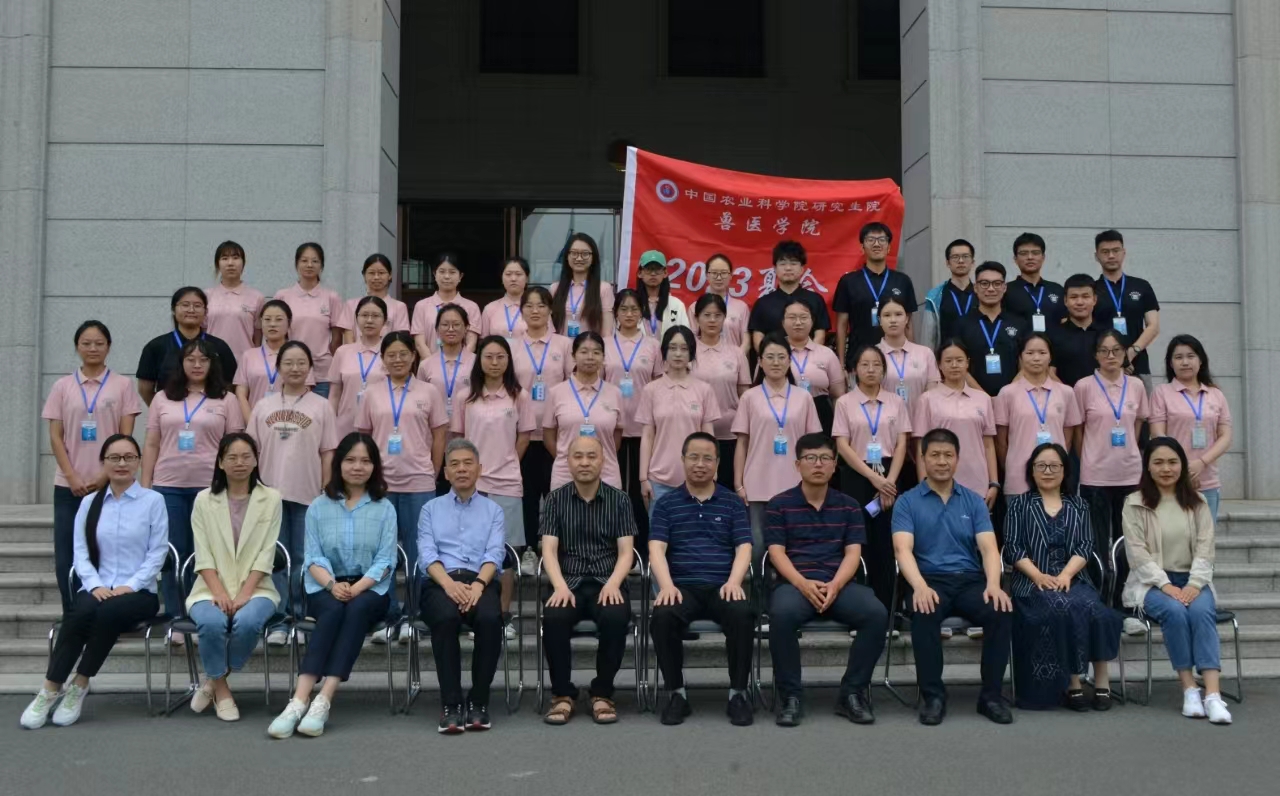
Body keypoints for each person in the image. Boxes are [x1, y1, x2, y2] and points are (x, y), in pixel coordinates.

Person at [20, 435, 167, 730]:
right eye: (114, 457)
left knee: (106, 611)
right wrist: (94, 584)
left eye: (129, 457)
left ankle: (80, 682)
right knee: (80, 610)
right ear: (103, 463)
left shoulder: (153, 501)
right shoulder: (90, 503)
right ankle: (50, 688)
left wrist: (131, 585)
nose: (122, 463)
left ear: (139, 462)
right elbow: (80, 552)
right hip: (98, 587)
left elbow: (158, 552)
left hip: (139, 593)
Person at [267, 433, 398, 738]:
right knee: (333, 611)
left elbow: (386, 561)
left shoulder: (384, 508)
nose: (357, 467)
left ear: (375, 466)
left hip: (370, 589)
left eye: (365, 461)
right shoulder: (318, 506)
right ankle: (298, 701)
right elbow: (312, 557)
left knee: (356, 610)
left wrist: (357, 588)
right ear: (338, 464)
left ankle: (324, 698)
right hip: (325, 585)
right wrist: (332, 585)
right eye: (350, 460)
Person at [765, 433, 890, 728]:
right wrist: (803, 584)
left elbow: (853, 554)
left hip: (839, 584)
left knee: (876, 614)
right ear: (797, 464)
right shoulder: (779, 504)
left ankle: (852, 693)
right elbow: (776, 553)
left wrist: (835, 585)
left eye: (825, 458)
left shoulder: (849, 505)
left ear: (835, 465)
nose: (818, 464)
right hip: (795, 585)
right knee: (781, 614)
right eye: (810, 458)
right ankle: (791, 696)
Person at [892, 428, 1014, 726]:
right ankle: (933, 696)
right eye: (934, 455)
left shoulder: (973, 501)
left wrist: (994, 585)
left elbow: (989, 549)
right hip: (929, 579)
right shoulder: (907, 502)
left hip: (970, 580)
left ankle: (991, 697)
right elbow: (902, 550)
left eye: (948, 455)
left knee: (1000, 610)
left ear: (958, 459)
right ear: (923, 458)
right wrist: (919, 586)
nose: (942, 461)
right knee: (924, 611)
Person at [1121, 438, 1231, 725]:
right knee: (1175, 611)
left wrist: (1194, 584)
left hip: (1193, 578)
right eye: (1158, 462)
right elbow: (1137, 554)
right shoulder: (1134, 503)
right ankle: (1190, 690)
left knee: (1201, 611)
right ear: (1147, 467)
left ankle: (1213, 695)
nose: (1166, 468)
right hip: (1151, 583)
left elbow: (1206, 548)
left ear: (1182, 465)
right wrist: (1165, 584)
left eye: (1172, 462)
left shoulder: (1198, 502)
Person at [647, 432, 755, 726]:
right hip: (682, 588)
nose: (700, 464)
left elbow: (744, 547)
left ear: (717, 463)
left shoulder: (732, 503)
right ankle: (676, 694)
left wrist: (734, 582)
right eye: (693, 457)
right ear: (682, 460)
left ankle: (738, 694)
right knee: (663, 616)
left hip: (722, 586)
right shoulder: (667, 504)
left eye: (708, 458)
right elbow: (656, 548)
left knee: (743, 614)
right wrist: (666, 586)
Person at [1003, 443, 1120, 711]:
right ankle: (1073, 682)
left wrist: (1066, 574)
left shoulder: (1078, 505)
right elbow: (1013, 548)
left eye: (1054, 466)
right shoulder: (1020, 505)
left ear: (1065, 470)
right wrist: (1038, 576)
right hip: (1031, 582)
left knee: (1097, 611)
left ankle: (1102, 679)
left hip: (1074, 579)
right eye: (1041, 466)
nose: (1048, 471)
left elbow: (1085, 546)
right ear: (1031, 471)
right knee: (1061, 607)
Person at [141, 338, 245, 629]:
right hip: (168, 486)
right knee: (174, 552)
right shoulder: (162, 398)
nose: (197, 365)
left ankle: (207, 612)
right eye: (190, 359)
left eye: (203, 360)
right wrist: (146, 485)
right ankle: (177, 615)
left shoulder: (226, 399)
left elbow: (235, 446)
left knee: (208, 553)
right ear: (180, 363)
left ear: (213, 364)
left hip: (211, 488)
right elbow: (152, 443)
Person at [355, 331, 448, 643]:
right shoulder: (371, 393)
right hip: (380, 484)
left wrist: (434, 470)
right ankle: (388, 613)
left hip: (419, 480)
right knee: (382, 551)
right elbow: (364, 437)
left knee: (417, 550)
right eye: (391, 355)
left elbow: (439, 434)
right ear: (383, 359)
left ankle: (413, 614)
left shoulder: (429, 391)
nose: (397, 359)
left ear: (413, 356)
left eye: (403, 354)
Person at [44, 321, 142, 612]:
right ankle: (72, 614)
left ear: (108, 347)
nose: (93, 348)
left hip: (109, 485)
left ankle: (102, 613)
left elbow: (125, 437)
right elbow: (55, 436)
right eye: (86, 343)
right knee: (67, 555)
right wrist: (71, 476)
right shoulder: (62, 386)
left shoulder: (122, 385)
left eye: (99, 343)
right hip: (69, 485)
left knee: (106, 551)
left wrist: (104, 476)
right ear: (77, 347)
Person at [539, 435, 638, 726]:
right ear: (568, 461)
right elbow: (549, 550)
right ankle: (562, 694)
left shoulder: (620, 500)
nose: (585, 462)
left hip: (607, 581)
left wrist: (613, 583)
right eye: (578, 456)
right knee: (554, 617)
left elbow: (626, 552)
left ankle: (602, 693)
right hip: (567, 582)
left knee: (616, 616)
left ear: (602, 460)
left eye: (591, 456)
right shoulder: (555, 500)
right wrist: (559, 586)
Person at [186, 433, 283, 720]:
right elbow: (203, 553)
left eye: (246, 456)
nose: (239, 462)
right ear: (220, 462)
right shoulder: (204, 500)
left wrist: (244, 593)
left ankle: (212, 680)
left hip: (258, 588)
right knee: (211, 622)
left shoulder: (271, 498)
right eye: (232, 457)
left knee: (249, 621)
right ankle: (222, 690)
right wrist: (218, 592)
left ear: (255, 461)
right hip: (209, 588)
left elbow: (267, 553)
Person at [247, 340, 338, 637]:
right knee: (274, 557)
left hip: (308, 494)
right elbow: (251, 451)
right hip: (269, 495)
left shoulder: (321, 406)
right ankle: (279, 618)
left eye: (301, 363)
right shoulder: (263, 405)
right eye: (288, 363)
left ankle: (300, 615)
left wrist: (325, 489)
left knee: (302, 557)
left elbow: (328, 452)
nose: (295, 368)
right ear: (278, 368)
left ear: (310, 367)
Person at [417, 439, 507, 733]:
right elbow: (427, 554)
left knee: (490, 619)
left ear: (479, 469)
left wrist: (479, 585)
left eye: (468, 463)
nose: (462, 469)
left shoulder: (494, 510)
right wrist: (449, 584)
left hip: (480, 581)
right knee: (445, 618)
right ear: (445, 472)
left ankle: (478, 702)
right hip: (440, 582)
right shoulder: (430, 509)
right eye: (454, 464)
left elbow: (495, 554)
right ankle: (451, 705)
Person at [451, 335, 538, 640]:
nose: (495, 362)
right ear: (479, 360)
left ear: (508, 361)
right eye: (488, 356)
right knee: (470, 552)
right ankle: (472, 613)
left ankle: (503, 615)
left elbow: (524, 437)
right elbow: (458, 437)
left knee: (506, 553)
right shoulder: (465, 397)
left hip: (507, 482)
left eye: (501, 356)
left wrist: (506, 461)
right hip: (471, 484)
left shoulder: (519, 396)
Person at [833, 345, 912, 610]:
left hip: (890, 473)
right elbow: (842, 446)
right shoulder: (845, 402)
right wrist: (874, 479)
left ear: (883, 370)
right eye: (864, 364)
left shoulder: (896, 402)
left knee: (887, 540)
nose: (870, 370)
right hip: (857, 474)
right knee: (858, 539)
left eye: (876, 364)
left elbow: (902, 444)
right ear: (854, 370)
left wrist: (889, 482)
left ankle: (890, 607)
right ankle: (860, 607)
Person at [732, 333, 822, 559]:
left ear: (789, 361)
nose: (775, 362)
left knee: (794, 546)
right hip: (757, 484)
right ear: (760, 362)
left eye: (781, 357)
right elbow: (742, 443)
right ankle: (759, 585)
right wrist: (738, 484)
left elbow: (813, 446)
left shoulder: (804, 397)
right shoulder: (749, 398)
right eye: (770, 357)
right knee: (757, 547)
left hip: (796, 484)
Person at [1075, 329, 1149, 555]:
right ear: (1095, 355)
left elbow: (1137, 424)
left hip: (1129, 471)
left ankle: (1123, 578)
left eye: (1116, 350)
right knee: (1096, 538)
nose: (1110, 356)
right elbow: (1078, 430)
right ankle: (1100, 577)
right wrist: (1087, 457)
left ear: (1125, 353)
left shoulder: (1136, 385)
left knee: (1126, 537)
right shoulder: (1083, 386)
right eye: (1104, 351)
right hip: (1095, 473)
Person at [514, 286, 574, 563]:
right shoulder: (512, 346)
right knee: (526, 495)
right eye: (529, 305)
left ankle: (556, 550)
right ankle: (528, 549)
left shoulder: (564, 344)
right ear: (521, 310)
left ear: (550, 310)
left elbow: (572, 385)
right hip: (523, 435)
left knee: (557, 496)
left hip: (556, 435)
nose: (535, 310)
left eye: (541, 305)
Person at [637, 326, 720, 523]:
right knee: (659, 535)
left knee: (695, 534)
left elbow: (709, 435)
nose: (678, 354)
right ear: (664, 352)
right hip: (659, 479)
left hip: (698, 477)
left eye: (684, 348)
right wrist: (643, 478)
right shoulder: (651, 390)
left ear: (691, 353)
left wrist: (713, 472)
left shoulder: (704, 390)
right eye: (672, 348)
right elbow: (647, 436)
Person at [1150, 335, 1233, 522]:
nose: (1185, 362)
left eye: (1191, 356)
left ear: (1200, 360)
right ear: (1170, 363)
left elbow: (1225, 437)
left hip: (1208, 479)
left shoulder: (1216, 394)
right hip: (1171, 479)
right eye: (1178, 357)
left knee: (1205, 536)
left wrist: (1201, 463)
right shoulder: (1162, 392)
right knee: (1172, 535)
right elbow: (1157, 434)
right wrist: (1182, 468)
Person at [605, 289, 663, 540]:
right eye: (624, 309)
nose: (629, 314)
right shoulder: (604, 344)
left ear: (642, 313)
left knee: (642, 489)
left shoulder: (653, 345)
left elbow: (659, 384)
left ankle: (642, 544)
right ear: (615, 312)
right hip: (612, 428)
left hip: (644, 429)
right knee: (614, 487)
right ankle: (614, 541)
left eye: (634, 309)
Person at [995, 333, 1082, 497]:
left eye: (1042, 353)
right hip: (1019, 478)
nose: (1036, 358)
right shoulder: (1007, 393)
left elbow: (1067, 439)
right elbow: (1001, 442)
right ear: (1020, 357)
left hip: (1055, 478)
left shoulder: (1066, 392)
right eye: (1029, 353)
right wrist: (1011, 468)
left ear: (1050, 357)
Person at [913, 339, 998, 505]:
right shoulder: (927, 400)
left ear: (967, 363)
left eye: (959, 360)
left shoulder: (983, 399)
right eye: (948, 361)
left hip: (977, 482)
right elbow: (920, 446)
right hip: (939, 483)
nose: (954, 365)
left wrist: (994, 483)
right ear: (939, 365)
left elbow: (988, 445)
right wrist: (924, 484)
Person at [544, 332, 624, 491]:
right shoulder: (556, 392)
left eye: (596, 352)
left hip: (606, 474)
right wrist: (570, 460)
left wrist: (598, 460)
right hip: (565, 475)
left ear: (603, 357)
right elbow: (548, 436)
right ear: (573, 356)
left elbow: (616, 435)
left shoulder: (615, 393)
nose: (590, 357)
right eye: (584, 351)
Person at [833, 222, 918, 369]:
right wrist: (841, 364)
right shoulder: (849, 281)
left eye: (882, 240)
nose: (876, 244)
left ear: (889, 247)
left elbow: (908, 324)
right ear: (862, 247)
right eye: (870, 240)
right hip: (859, 359)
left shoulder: (902, 281)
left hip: (897, 359)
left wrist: (911, 359)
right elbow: (841, 326)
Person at [135, 287, 238, 405]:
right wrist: (162, 410)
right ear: (173, 309)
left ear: (206, 311)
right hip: (170, 413)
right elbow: (145, 389)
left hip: (212, 413)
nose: (191, 310)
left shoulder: (219, 347)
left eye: (197, 305)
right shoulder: (156, 347)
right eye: (185, 305)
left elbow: (231, 386)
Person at [692, 293, 752, 488]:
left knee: (726, 490)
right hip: (695, 433)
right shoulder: (688, 351)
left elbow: (745, 395)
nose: (712, 320)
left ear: (724, 318)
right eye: (706, 315)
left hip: (730, 435)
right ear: (696, 318)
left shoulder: (736, 353)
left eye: (717, 315)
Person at [274, 242, 347, 398]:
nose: (309, 265)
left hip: (323, 373)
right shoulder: (283, 296)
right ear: (296, 264)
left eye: (315, 261)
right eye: (304, 260)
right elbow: (278, 334)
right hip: (292, 370)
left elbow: (337, 338)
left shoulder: (331, 297)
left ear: (321, 266)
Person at [1093, 230, 1160, 391]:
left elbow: (1153, 326)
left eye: (1115, 250)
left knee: (1142, 407)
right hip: (1103, 367)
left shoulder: (1141, 286)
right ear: (1097, 256)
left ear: (1124, 253)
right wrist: (1114, 358)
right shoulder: (1092, 289)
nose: (1111, 256)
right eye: (1105, 252)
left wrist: (1130, 353)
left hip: (1138, 364)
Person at [234, 299, 314, 420]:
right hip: (255, 421)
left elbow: (305, 392)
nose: (272, 324)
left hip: (289, 423)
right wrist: (252, 424)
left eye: (279, 319)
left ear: (289, 323)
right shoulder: (248, 356)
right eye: (267, 319)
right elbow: (241, 394)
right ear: (261, 323)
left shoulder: (300, 354)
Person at [957, 261, 1028, 397]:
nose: (991, 289)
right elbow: (958, 365)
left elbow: (1026, 364)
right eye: (984, 283)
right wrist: (982, 397)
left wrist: (1006, 395)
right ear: (975, 287)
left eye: (997, 283)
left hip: (1013, 398)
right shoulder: (962, 324)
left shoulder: (1020, 323)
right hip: (971, 399)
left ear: (1004, 287)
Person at [747, 240, 831, 349]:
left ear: (802, 269)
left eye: (793, 263)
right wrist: (769, 356)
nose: (788, 268)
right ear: (775, 269)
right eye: (782, 264)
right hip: (773, 358)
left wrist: (809, 357)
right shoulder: (762, 303)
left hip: (807, 358)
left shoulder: (815, 300)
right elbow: (758, 336)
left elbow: (820, 334)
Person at [327, 296, 389, 438]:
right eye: (364, 315)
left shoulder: (390, 354)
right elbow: (334, 395)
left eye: (376, 316)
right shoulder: (343, 352)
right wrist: (329, 425)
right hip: (345, 427)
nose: (369, 320)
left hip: (379, 428)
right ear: (356, 319)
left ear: (385, 321)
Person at [783, 299, 845, 434]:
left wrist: (840, 429)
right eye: (792, 317)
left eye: (803, 317)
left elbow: (838, 395)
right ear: (782, 322)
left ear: (812, 321)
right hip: (784, 415)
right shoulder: (775, 353)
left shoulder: (826, 354)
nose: (798, 322)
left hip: (821, 414)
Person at [876, 295, 940, 420]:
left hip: (921, 424)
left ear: (907, 318)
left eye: (898, 314)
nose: (893, 320)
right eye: (887, 315)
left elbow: (933, 395)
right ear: (879, 320)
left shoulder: (925, 353)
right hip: (884, 424)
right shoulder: (873, 355)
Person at [412, 252, 482, 357]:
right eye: (442, 272)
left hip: (461, 366)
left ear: (460, 276)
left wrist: (458, 363)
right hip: (429, 364)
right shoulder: (421, 306)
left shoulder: (471, 307)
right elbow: (419, 344)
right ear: (435, 274)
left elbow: (471, 344)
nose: (447, 276)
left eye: (452, 272)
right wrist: (433, 364)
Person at [417, 303, 476, 427]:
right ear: (437, 329)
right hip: (434, 430)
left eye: (456, 324)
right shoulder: (425, 365)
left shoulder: (477, 363)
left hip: (469, 428)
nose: (450, 329)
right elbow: (420, 401)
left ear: (466, 328)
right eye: (445, 325)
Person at [205, 240, 264, 356]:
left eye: (236, 258)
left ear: (243, 263)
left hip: (245, 361)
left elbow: (258, 339)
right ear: (217, 264)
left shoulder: (257, 297)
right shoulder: (206, 296)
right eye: (225, 258)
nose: (230, 263)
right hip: (213, 360)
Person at [550, 232, 615, 337]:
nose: (579, 258)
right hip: (560, 346)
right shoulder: (555, 288)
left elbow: (607, 333)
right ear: (567, 256)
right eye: (574, 253)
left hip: (590, 346)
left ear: (593, 257)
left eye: (585, 254)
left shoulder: (604, 288)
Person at [1048, 274, 1105, 387]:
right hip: (1065, 395)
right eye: (1074, 297)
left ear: (1094, 299)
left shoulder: (1107, 335)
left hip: (1103, 395)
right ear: (1065, 300)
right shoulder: (1053, 336)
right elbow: (1049, 373)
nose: (1080, 302)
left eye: (1085, 297)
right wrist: (1068, 394)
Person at [689, 253, 751, 355]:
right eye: (714, 273)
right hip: (704, 360)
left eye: (723, 273)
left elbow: (746, 342)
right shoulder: (695, 307)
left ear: (730, 275)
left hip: (734, 361)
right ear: (707, 275)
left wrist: (736, 359)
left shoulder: (741, 307)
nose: (718, 278)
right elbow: (692, 339)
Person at [921, 239, 978, 347]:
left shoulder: (982, 293)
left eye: (965, 256)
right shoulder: (935, 296)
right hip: (948, 356)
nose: (961, 261)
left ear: (973, 262)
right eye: (955, 257)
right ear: (947, 263)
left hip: (978, 355)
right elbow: (928, 337)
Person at [1003, 233, 1065, 332]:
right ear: (1015, 259)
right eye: (1023, 253)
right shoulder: (1006, 290)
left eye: (1035, 253)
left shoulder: (1057, 289)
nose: (1030, 257)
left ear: (1043, 257)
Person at [341, 253, 410, 342]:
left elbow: (399, 340)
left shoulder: (399, 307)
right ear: (364, 275)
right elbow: (348, 338)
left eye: (381, 273)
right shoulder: (351, 305)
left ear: (390, 275)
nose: (376, 277)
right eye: (371, 273)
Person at [636, 250, 689, 339]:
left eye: (657, 269)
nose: (653, 274)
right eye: (648, 269)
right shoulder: (633, 303)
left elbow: (685, 336)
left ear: (665, 273)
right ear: (640, 273)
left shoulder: (677, 305)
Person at [480, 256, 530, 340]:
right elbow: (484, 340)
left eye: (518, 274)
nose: (513, 279)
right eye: (508, 274)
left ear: (527, 278)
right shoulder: (490, 309)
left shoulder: (537, 308)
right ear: (501, 278)